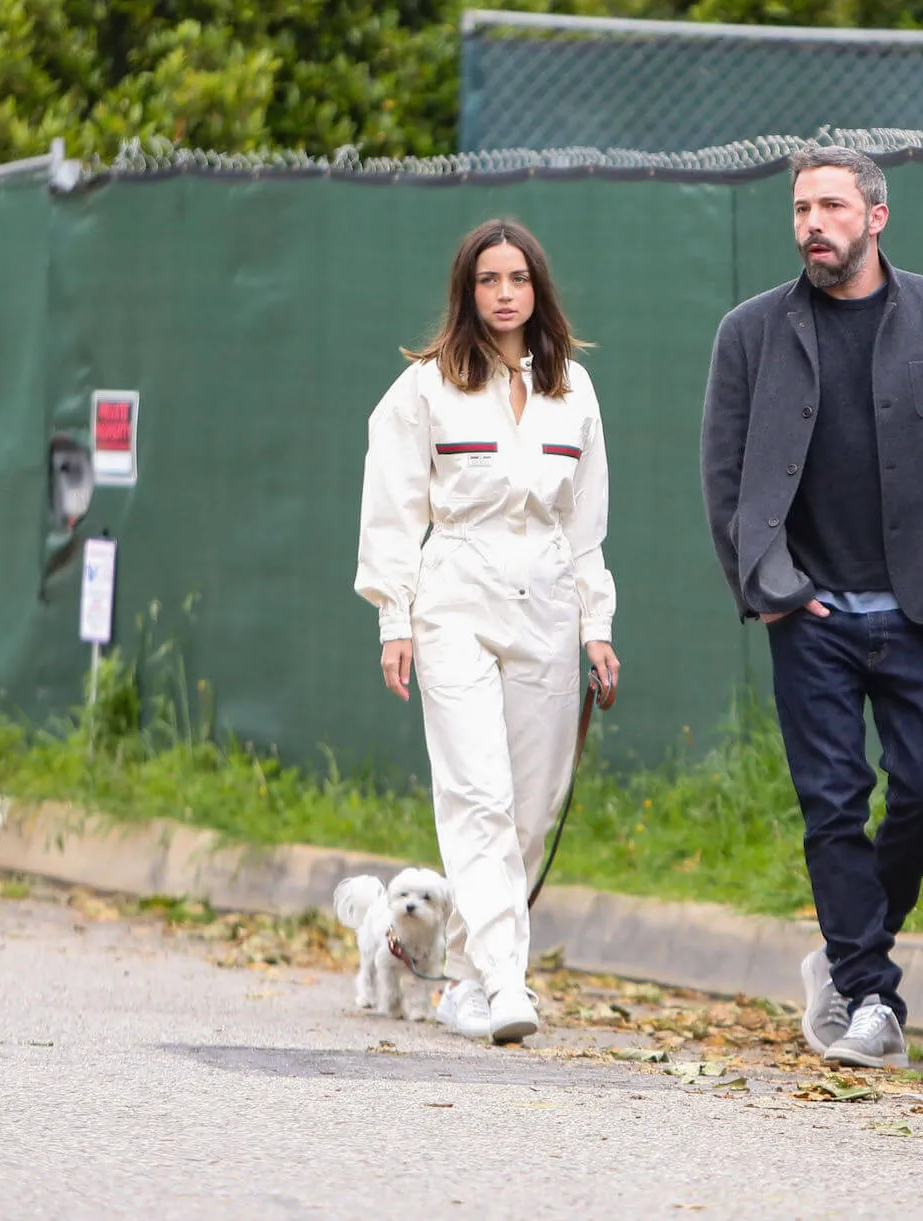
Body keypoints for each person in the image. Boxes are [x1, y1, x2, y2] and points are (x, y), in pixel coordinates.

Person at [700, 146, 923, 1068]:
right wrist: (763, 587)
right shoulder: (751, 332)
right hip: (806, 609)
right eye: (802, 208)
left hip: (916, 600)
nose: (814, 223)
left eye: (833, 207)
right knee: (833, 803)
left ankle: (852, 947)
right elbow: (724, 475)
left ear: (876, 216)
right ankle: (870, 993)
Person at [355, 218, 619, 1044]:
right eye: (487, 280)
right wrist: (393, 617)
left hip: (547, 601)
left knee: (531, 809)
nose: (504, 294)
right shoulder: (426, 387)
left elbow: (586, 527)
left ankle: (465, 978)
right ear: (466, 293)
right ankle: (507, 984)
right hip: (454, 598)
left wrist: (598, 625)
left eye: (518, 279)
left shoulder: (573, 389)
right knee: (477, 794)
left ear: (538, 290)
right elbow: (392, 508)